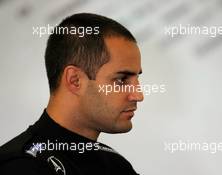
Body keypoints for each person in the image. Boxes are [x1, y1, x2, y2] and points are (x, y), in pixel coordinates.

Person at [0, 13, 144, 175]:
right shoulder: (20, 167)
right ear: (75, 80)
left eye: (137, 78)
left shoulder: (115, 165)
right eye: (121, 80)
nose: (138, 95)